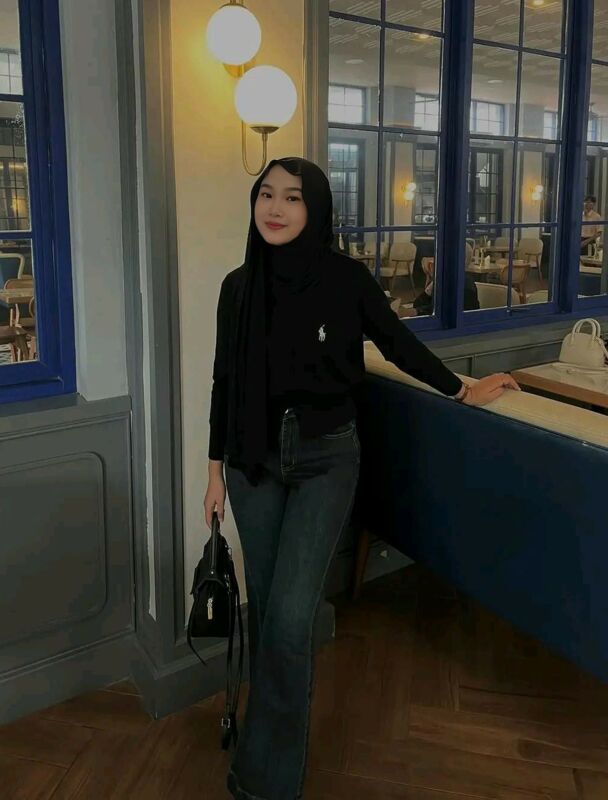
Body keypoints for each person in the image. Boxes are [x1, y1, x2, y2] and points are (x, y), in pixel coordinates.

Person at [203, 157, 520, 800]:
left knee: (291, 619)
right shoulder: (238, 286)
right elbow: (224, 382)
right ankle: (262, 759)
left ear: (316, 208)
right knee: (267, 613)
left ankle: (267, 784)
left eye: (293, 197)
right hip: (250, 463)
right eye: (266, 195)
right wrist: (213, 473)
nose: (275, 208)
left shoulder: (345, 279)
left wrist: (460, 387)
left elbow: (397, 342)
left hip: (326, 458)